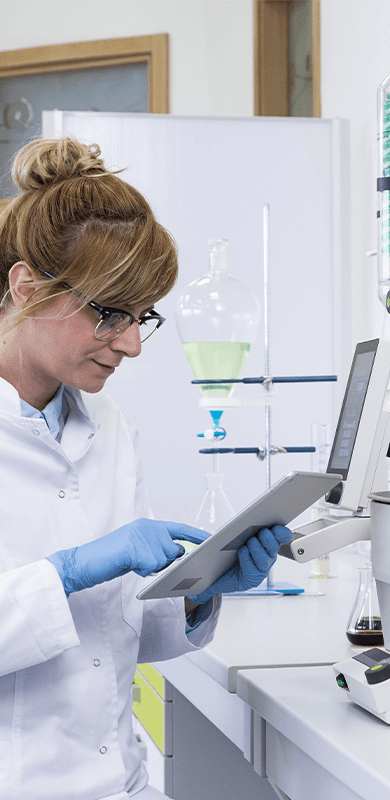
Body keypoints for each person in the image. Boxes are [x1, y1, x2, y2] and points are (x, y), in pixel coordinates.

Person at [0, 136, 292, 800]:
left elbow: (117, 635)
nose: (131, 344)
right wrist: (67, 571)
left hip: (119, 783)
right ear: (25, 287)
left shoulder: (110, 428)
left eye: (142, 317)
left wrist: (198, 589)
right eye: (109, 314)